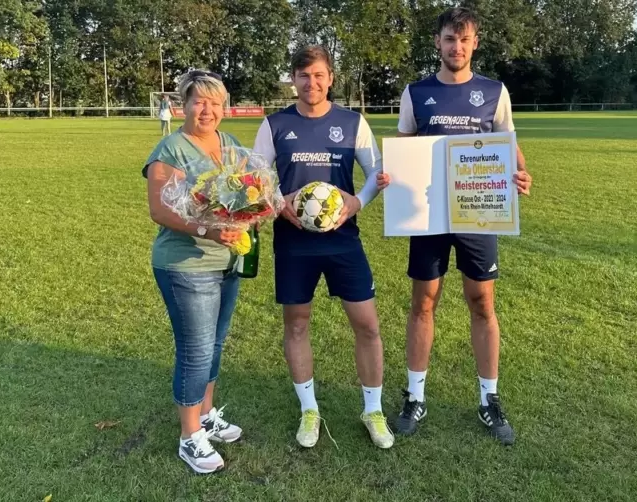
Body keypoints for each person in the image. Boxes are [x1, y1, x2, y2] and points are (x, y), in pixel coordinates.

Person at [386, 7, 533, 445]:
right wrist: (395, 173)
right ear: (438, 42)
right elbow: (406, 146)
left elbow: (507, 144)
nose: (457, 47)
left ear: (475, 43)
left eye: (464, 39)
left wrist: (521, 172)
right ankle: (414, 396)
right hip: (427, 214)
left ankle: (489, 398)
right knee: (424, 301)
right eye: (450, 38)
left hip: (477, 211)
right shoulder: (417, 92)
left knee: (482, 302)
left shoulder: (494, 91)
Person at [252, 45, 394, 449]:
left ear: (330, 77)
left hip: (344, 241)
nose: (310, 83)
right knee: (296, 324)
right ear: (293, 80)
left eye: (318, 75)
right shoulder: (274, 125)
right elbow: (258, 179)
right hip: (294, 242)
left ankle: (373, 410)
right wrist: (280, 204)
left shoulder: (352, 122)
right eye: (302, 75)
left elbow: (375, 173)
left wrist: (357, 202)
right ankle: (309, 409)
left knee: (367, 325)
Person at [143, 70, 247, 474]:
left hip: (228, 260)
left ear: (224, 107)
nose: (207, 110)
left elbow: (250, 190)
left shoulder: (231, 144)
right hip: (186, 264)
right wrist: (207, 229)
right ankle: (189, 438)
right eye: (198, 101)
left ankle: (204, 416)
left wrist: (254, 211)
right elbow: (160, 210)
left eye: (214, 102)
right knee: (195, 350)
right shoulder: (170, 150)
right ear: (183, 106)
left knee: (215, 344)